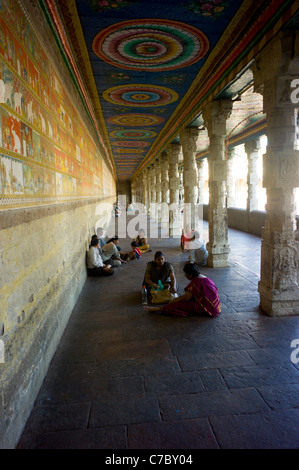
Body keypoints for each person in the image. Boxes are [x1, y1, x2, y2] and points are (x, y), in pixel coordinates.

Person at [144, 262, 221, 317]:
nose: (185, 276)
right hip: (216, 305)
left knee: (177, 305)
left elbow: (186, 298)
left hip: (207, 307)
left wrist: (173, 301)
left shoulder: (195, 283)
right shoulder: (205, 278)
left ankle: (158, 309)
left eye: (186, 274)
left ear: (190, 275)